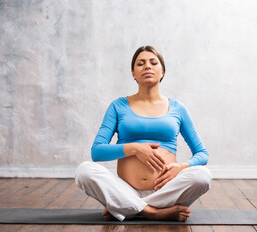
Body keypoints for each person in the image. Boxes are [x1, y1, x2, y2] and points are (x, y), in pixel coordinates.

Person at [75, 45, 212, 222]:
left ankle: (125, 207)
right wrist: (135, 149)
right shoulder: (118, 106)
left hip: (167, 190)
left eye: (153, 62)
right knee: (84, 171)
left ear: (162, 71)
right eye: (141, 63)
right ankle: (152, 212)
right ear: (133, 73)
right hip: (126, 188)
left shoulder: (178, 108)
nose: (147, 66)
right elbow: (97, 152)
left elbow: (202, 154)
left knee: (203, 176)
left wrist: (181, 167)